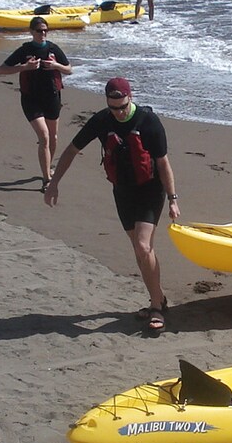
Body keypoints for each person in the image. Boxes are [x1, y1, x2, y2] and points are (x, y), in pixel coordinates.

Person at [44, 77, 181, 331]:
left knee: (143, 245)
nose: (118, 113)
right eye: (113, 107)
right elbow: (72, 150)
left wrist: (173, 199)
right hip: (123, 191)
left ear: (130, 98)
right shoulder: (102, 120)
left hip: (150, 189)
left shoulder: (149, 122)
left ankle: (156, 307)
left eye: (122, 107)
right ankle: (159, 298)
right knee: (139, 250)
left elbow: (163, 163)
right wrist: (54, 182)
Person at [0, 16, 72, 184]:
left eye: (45, 30)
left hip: (52, 97)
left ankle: (47, 167)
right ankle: (46, 179)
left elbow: (69, 69)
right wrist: (25, 67)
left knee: (53, 137)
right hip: (31, 99)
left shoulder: (53, 49)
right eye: (39, 31)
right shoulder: (25, 50)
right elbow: (1, 70)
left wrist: (56, 66)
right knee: (44, 136)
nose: (43, 34)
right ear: (31, 32)